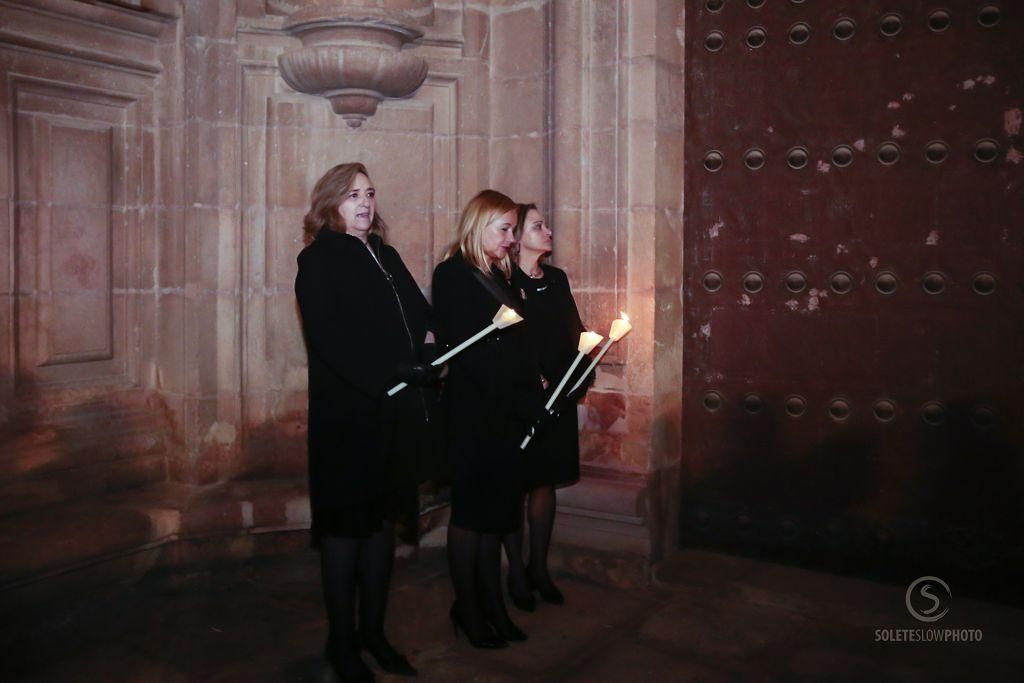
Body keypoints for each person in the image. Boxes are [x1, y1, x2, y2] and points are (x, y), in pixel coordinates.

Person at [295, 162, 439, 682]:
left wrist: (437, 349)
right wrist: (390, 370)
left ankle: (374, 633)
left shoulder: (386, 255)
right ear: (330, 204)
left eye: (370, 193)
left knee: (380, 528)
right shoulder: (318, 260)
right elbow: (329, 342)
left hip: (393, 413)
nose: (364, 203)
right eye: (353, 194)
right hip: (347, 417)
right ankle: (342, 643)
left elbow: (421, 317)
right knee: (344, 532)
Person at [431, 190, 548, 649]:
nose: (511, 239)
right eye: (504, 229)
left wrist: (531, 387)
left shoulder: (500, 275)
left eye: (514, 230)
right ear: (478, 226)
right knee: (470, 517)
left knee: (496, 517)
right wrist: (516, 396)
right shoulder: (453, 274)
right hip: (473, 414)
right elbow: (468, 350)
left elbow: (517, 345)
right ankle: (469, 609)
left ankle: (492, 604)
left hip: (503, 416)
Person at [504, 203, 591, 611]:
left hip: (558, 396)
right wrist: (529, 380)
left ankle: (539, 567)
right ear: (517, 237)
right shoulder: (505, 280)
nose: (549, 230)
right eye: (539, 226)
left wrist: (578, 374)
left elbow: (575, 332)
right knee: (515, 484)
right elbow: (507, 344)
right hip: (523, 400)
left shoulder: (555, 279)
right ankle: (516, 572)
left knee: (545, 481)